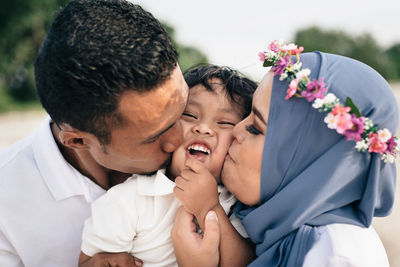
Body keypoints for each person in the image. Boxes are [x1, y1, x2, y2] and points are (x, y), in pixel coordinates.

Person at [172, 43, 399, 267]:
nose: (236, 130)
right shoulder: (268, 228)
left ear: (307, 158)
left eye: (256, 128)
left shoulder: (337, 256)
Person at [0, 0, 188, 266]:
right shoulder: (5, 204)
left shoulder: (212, 137)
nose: (180, 139)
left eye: (184, 111)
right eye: (155, 136)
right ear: (77, 140)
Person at [78, 65, 257, 266]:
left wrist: (210, 207)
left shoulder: (236, 203)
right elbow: (87, 262)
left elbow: (245, 262)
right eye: (190, 115)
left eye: (225, 123)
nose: (203, 129)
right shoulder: (130, 199)